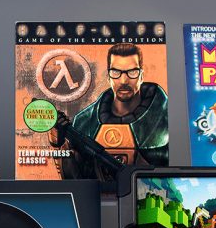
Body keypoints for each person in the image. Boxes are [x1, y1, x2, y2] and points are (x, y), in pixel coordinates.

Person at [53, 43, 169, 180]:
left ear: (141, 76)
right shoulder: (84, 122)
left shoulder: (165, 118)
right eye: (116, 72)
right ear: (108, 77)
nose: (124, 80)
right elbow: (74, 181)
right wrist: (60, 145)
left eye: (132, 72)